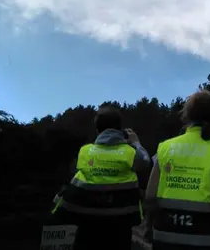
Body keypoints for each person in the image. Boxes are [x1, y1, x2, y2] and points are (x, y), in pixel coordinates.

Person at [144, 90, 210, 250]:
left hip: (165, 239)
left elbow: (150, 196)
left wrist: (148, 228)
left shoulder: (165, 148)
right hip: (208, 242)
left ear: (187, 115)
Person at [51, 106, 151, 250]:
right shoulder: (131, 153)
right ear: (120, 129)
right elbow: (146, 162)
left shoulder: (85, 151)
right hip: (120, 228)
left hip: (87, 226)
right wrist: (135, 142)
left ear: (97, 130)